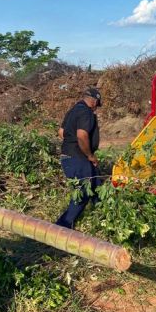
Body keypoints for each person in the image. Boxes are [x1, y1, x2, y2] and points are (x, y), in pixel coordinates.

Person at [55, 87, 102, 229]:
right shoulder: (86, 112)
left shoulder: (73, 111)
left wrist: (71, 142)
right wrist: (89, 155)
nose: (96, 109)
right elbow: (82, 135)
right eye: (97, 105)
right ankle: (61, 227)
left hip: (68, 157)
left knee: (96, 186)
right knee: (82, 192)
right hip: (78, 158)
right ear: (94, 101)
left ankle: (104, 219)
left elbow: (61, 132)